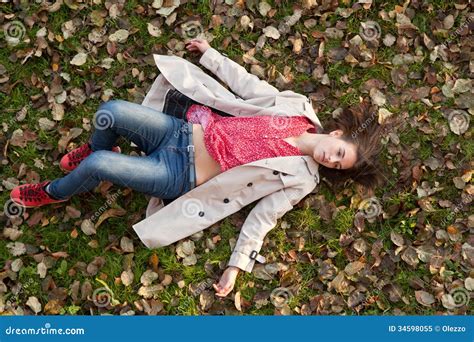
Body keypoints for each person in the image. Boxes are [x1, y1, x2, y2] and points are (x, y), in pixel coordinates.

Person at [9, 39, 385, 298]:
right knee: (110, 111)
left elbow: (263, 219)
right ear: (336, 134)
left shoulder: (301, 179)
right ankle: (93, 148)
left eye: (338, 165)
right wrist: (211, 56)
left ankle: (55, 192)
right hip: (182, 132)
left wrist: (237, 267)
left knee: (100, 164)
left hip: (180, 174)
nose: (330, 160)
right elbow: (250, 86)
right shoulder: (296, 107)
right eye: (338, 152)